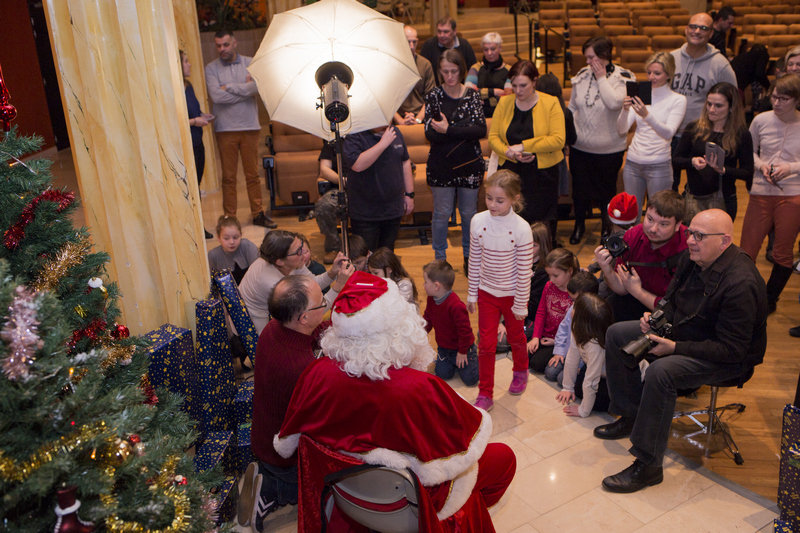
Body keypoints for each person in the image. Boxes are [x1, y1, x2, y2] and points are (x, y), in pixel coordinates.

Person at [274, 271, 516, 530]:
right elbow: (461, 447)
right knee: (503, 458)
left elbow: (293, 440)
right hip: (412, 502)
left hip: (347, 495)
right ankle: (465, 514)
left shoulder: (316, 373)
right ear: (398, 329)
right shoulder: (419, 389)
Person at [595, 209, 768, 494]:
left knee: (662, 372)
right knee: (616, 334)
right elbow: (671, 300)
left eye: (699, 236)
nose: (690, 241)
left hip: (726, 357)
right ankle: (630, 415)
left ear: (724, 241)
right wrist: (655, 318)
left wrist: (675, 348)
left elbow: (733, 349)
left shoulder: (741, 283)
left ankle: (648, 465)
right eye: (690, 233)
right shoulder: (693, 258)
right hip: (689, 332)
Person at [244, 275, 329, 531]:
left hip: (262, 433)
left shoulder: (274, 327)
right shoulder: (298, 367)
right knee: (315, 487)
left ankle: (269, 480)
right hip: (282, 456)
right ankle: (270, 493)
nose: (326, 304)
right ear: (302, 318)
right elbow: (318, 419)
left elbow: (315, 332)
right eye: (321, 302)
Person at [467, 170, 534, 410]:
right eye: (489, 198)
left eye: (499, 200)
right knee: (486, 344)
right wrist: (472, 294)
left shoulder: (522, 229)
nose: (492, 204)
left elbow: (525, 270)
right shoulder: (478, 222)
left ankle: (521, 370)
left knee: (516, 337)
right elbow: (474, 260)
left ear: (514, 198)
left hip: (513, 295)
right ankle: (485, 392)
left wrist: (520, 304)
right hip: (486, 293)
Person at [740, 74, 800, 314]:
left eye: (783, 99)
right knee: (747, 250)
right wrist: (761, 165)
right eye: (774, 97)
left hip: (793, 193)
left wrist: (791, 168)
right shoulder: (760, 120)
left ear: (796, 100)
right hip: (761, 190)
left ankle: (770, 298)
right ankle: (745, 296)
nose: (777, 103)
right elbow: (749, 152)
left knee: (783, 252)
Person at [205, 30, 276, 229]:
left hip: (250, 127)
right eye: (218, 45)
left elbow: (257, 88)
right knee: (228, 177)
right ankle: (230, 218)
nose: (222, 49)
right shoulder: (211, 68)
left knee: (253, 175)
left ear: (235, 43)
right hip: (225, 129)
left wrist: (228, 87)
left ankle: (258, 214)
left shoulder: (251, 62)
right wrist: (243, 90)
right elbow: (216, 97)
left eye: (226, 44)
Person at [489, 60, 566, 242]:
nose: (518, 90)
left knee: (541, 224)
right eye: (514, 85)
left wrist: (523, 146)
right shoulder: (505, 103)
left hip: (543, 173)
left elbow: (558, 139)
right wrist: (508, 152)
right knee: (512, 219)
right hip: (511, 171)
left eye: (523, 85)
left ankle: (542, 263)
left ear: (534, 82)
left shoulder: (550, 103)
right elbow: (493, 138)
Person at [424, 49, 486, 269]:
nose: (450, 76)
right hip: (442, 165)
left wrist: (448, 130)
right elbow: (429, 133)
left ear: (461, 70)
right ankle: (440, 258)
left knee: (470, 214)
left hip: (469, 164)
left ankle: (470, 256)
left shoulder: (472, 95)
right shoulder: (433, 96)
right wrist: (461, 130)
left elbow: (479, 130)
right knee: (441, 214)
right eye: (445, 72)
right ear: (440, 72)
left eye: (454, 71)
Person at [568, 36, 634, 244]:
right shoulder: (581, 75)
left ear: (604, 56)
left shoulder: (625, 76)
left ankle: (607, 226)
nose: (587, 62)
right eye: (586, 57)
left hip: (609, 149)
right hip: (580, 147)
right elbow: (572, 107)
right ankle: (579, 225)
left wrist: (602, 78)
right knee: (579, 191)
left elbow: (615, 103)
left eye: (591, 57)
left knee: (606, 191)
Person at [595, 190, 688, 323]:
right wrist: (606, 269)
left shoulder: (689, 250)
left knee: (616, 333)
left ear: (678, 225)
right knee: (595, 316)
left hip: (668, 313)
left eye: (663, 224)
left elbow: (677, 310)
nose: (653, 229)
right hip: (634, 298)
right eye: (649, 219)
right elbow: (622, 289)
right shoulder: (632, 236)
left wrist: (639, 292)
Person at [670, 13, 738, 191]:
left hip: (702, 135)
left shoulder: (720, 64)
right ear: (686, 29)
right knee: (669, 186)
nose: (697, 31)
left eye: (704, 28)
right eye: (693, 26)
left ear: (711, 34)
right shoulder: (671, 58)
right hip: (669, 133)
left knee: (701, 188)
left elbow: (733, 99)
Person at [239, 230, 354, 334]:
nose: (303, 253)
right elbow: (309, 315)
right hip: (254, 327)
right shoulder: (275, 285)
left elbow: (312, 282)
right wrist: (339, 286)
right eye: (298, 251)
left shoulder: (289, 261)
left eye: (301, 246)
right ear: (280, 262)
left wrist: (332, 272)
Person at [673, 82, 754, 224]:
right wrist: (692, 162)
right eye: (709, 104)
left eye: (718, 106)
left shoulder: (741, 134)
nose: (711, 109)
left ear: (731, 107)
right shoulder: (694, 128)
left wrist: (722, 170)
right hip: (693, 199)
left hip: (724, 199)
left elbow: (747, 172)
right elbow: (676, 160)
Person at [617, 52, 687, 213]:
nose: (651, 77)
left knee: (659, 213)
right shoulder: (641, 93)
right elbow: (621, 129)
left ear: (668, 74)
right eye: (649, 72)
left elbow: (668, 132)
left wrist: (646, 115)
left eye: (657, 73)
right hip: (633, 162)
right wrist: (625, 110)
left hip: (659, 165)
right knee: (631, 213)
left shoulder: (677, 100)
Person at [343, 125, 414, 251]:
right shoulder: (354, 135)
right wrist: (383, 143)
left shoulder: (395, 131)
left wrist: (409, 194)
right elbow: (357, 165)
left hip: (393, 209)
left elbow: (405, 161)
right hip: (365, 212)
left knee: (387, 254)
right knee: (366, 255)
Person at [555, 292, 614, 417]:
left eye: (574, 306)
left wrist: (584, 411)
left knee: (599, 402)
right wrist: (567, 387)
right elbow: (572, 356)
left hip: (617, 379)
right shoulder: (578, 326)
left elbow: (591, 380)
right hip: (598, 372)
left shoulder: (596, 346)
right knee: (570, 383)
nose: (571, 306)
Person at [422, 260, 479, 386]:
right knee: (443, 375)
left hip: (463, 348)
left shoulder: (456, 306)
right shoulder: (431, 299)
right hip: (444, 348)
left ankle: (473, 358)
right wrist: (420, 332)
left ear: (437, 286)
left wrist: (463, 352)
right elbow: (428, 318)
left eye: (426, 282)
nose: (423, 285)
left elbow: (465, 332)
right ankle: (453, 364)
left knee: (470, 379)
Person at [181, 50, 215, 239]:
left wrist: (202, 116)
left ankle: (198, 225)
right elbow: (174, 121)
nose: (190, 64)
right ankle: (190, 227)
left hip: (197, 143)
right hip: (185, 147)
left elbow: (194, 111)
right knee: (189, 188)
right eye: (186, 61)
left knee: (197, 186)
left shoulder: (189, 86)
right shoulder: (174, 90)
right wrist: (195, 121)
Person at [528, 248, 578, 375]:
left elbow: (575, 329)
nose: (551, 279)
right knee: (524, 354)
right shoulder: (549, 286)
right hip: (545, 336)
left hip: (561, 341)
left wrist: (556, 342)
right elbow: (541, 312)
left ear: (569, 271)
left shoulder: (576, 293)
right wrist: (535, 337)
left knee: (540, 366)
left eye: (555, 275)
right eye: (549, 275)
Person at [551, 271, 601, 385]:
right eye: (572, 299)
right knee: (550, 372)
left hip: (581, 361)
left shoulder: (594, 318)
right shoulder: (573, 309)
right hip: (566, 354)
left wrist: (578, 366)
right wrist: (558, 351)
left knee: (561, 379)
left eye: (575, 300)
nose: (573, 303)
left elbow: (590, 350)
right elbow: (562, 330)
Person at [536, 72, 577, 209]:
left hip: (537, 159)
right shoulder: (565, 113)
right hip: (557, 160)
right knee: (552, 202)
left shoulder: (535, 112)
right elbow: (572, 138)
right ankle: (551, 230)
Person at [314, 139, 349, 265]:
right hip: (340, 187)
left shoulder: (365, 138)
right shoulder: (332, 143)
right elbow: (324, 169)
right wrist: (342, 181)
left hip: (365, 188)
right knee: (323, 206)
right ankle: (334, 247)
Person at [394, 26, 436, 126]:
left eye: (414, 42)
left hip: (421, 116)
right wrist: (400, 121)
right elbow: (385, 100)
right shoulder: (392, 65)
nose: (412, 46)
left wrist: (417, 120)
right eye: (408, 42)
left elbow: (430, 98)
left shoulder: (425, 64)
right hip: (398, 115)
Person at [465, 32, 512, 118]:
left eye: (493, 49)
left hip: (503, 114)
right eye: (486, 50)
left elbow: (508, 97)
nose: (489, 53)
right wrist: (494, 92)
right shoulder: (476, 68)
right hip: (479, 115)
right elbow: (468, 93)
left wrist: (482, 99)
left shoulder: (509, 70)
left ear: (500, 48)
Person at [420, 17, 478, 85]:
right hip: (435, 88)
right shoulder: (428, 45)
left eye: (446, 32)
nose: (441, 35)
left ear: (454, 31)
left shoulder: (464, 45)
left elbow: (473, 69)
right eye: (439, 31)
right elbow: (423, 72)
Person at [207, 215, 259, 284]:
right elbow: (213, 282)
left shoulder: (247, 246)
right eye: (226, 238)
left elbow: (259, 274)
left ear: (241, 235)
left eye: (235, 237)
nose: (231, 242)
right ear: (218, 237)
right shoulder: (213, 255)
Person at [731, 44, 771, 116]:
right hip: (737, 87)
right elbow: (759, 73)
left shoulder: (742, 56)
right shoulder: (763, 55)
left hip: (731, 84)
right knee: (738, 115)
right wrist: (769, 86)